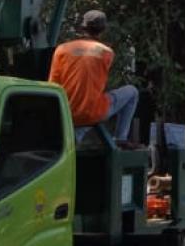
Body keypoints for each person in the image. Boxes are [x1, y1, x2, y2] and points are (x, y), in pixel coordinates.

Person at [48, 9, 139, 145]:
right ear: (103, 30)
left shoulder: (61, 49)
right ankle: (120, 138)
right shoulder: (107, 53)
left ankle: (76, 136)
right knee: (132, 92)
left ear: (82, 28)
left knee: (81, 113)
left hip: (65, 113)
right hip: (92, 112)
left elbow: (52, 85)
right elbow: (98, 84)